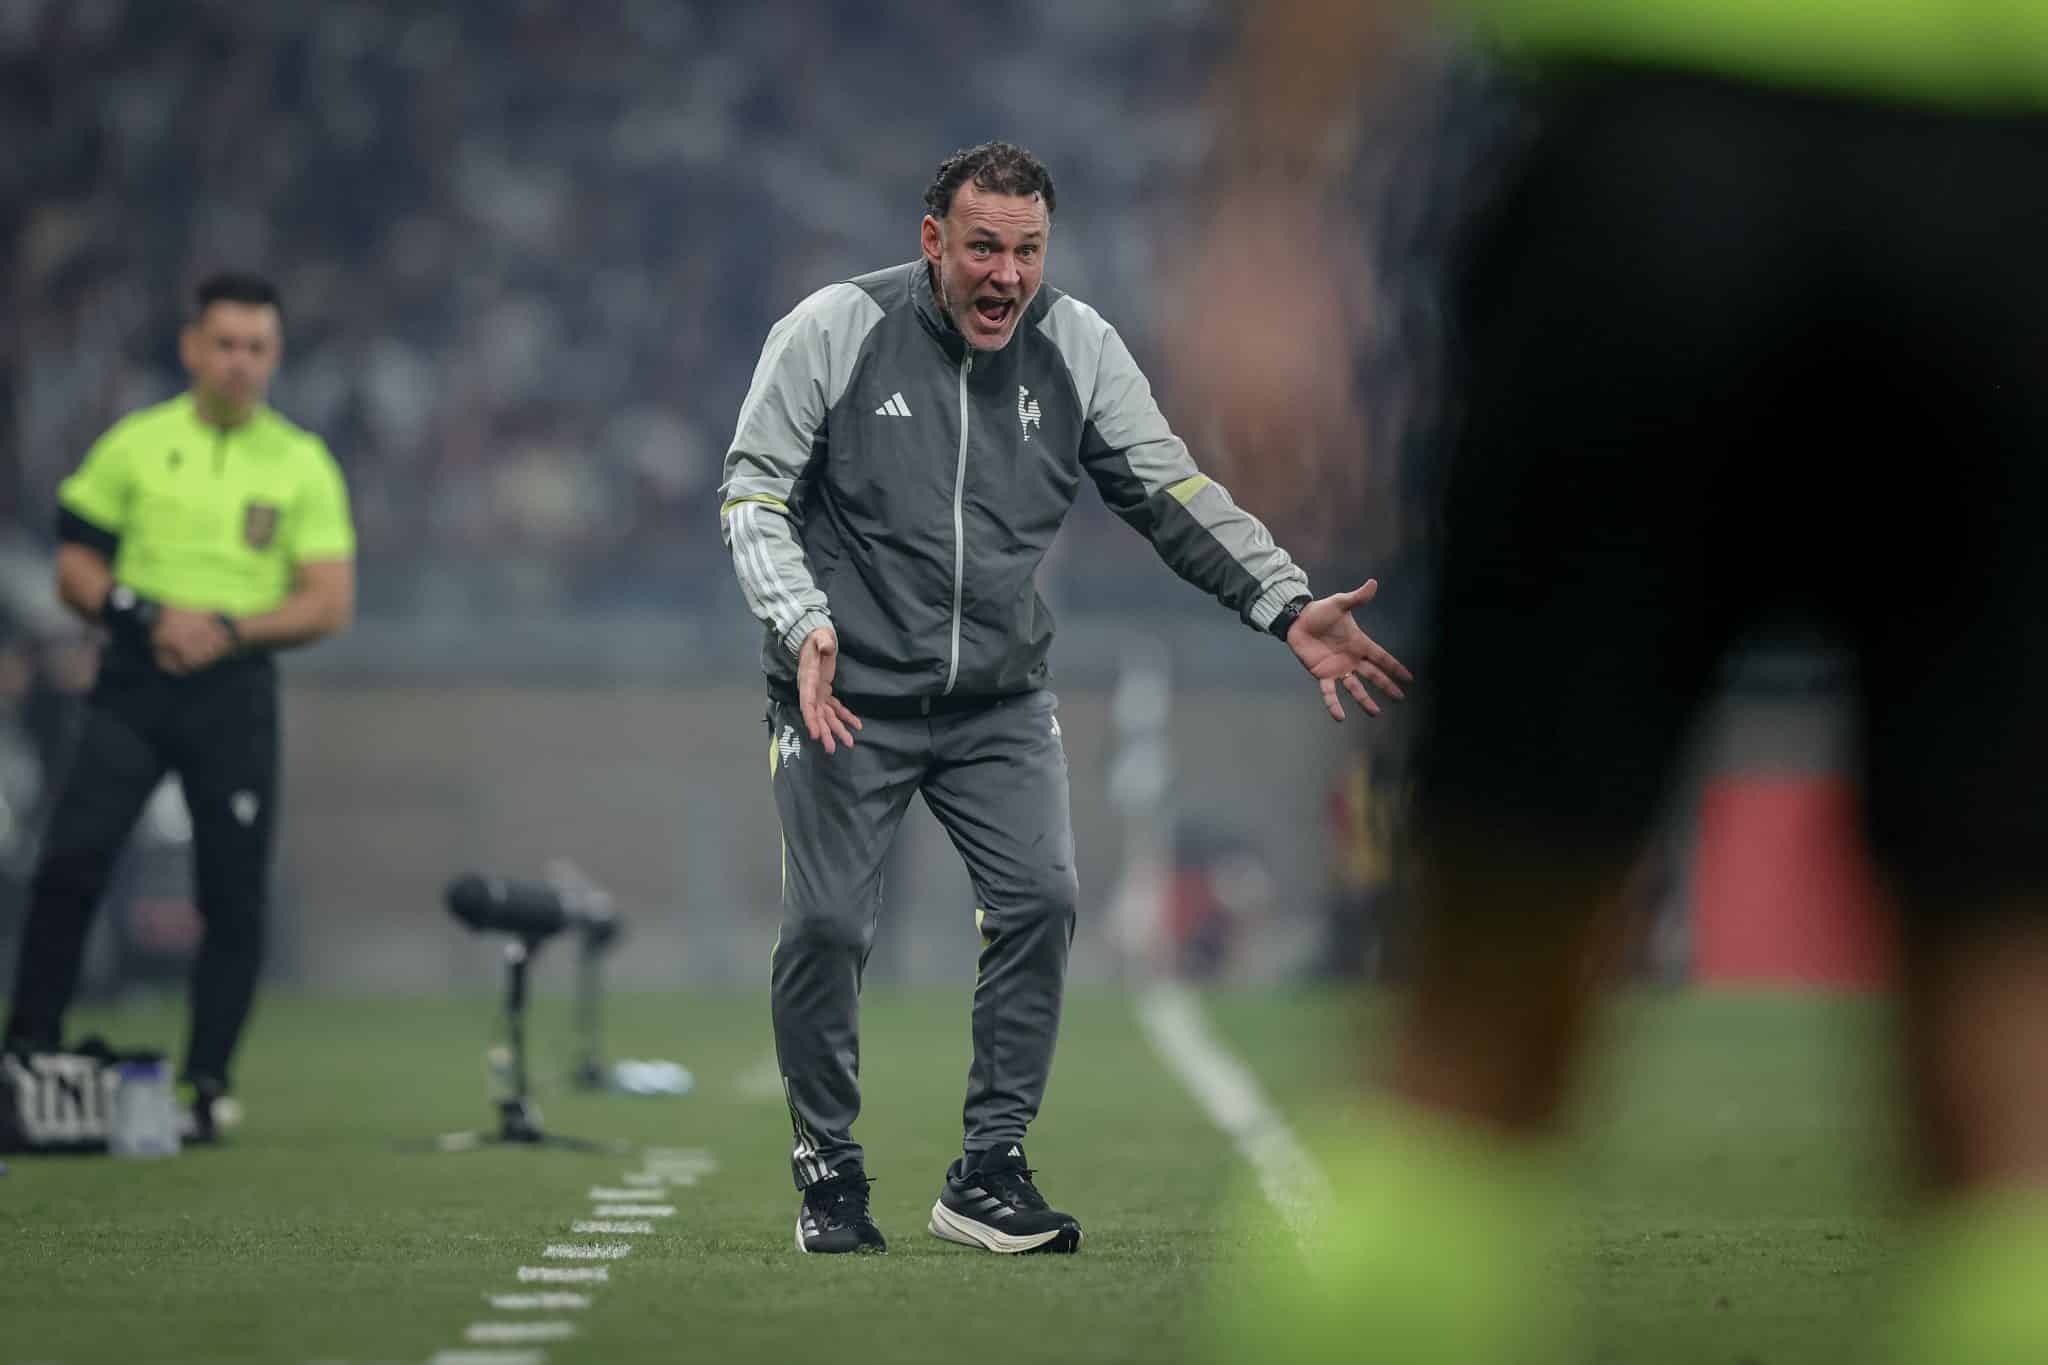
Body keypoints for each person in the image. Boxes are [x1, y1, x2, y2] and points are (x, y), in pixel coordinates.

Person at [1178, 2, 2048, 1360]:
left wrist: (1274, 198)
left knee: (1472, 1041)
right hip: (2004, 204)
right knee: (2013, 1077)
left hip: (1644, 184)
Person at [720, 141, 1411, 1256]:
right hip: (843, 689)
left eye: (1028, 251)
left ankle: (986, 1174)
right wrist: (802, 618)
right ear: (931, 239)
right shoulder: (832, 331)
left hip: (996, 697)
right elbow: (751, 491)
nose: (1006, 275)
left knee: (1042, 902)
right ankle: (829, 1174)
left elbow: (1171, 490)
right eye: (983, 247)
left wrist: (1286, 605)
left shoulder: (1078, 347)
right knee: (828, 924)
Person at [3, 272, 356, 1142]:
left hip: (235, 692)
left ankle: (206, 1083)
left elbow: (328, 600)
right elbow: (74, 565)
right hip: (134, 680)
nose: (240, 363)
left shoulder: (300, 460)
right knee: (70, 861)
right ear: (193, 348)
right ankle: (29, 1053)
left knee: (233, 893)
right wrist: (144, 615)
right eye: (226, 344)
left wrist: (228, 628)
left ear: (274, 355)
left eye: (257, 347)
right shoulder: (136, 444)